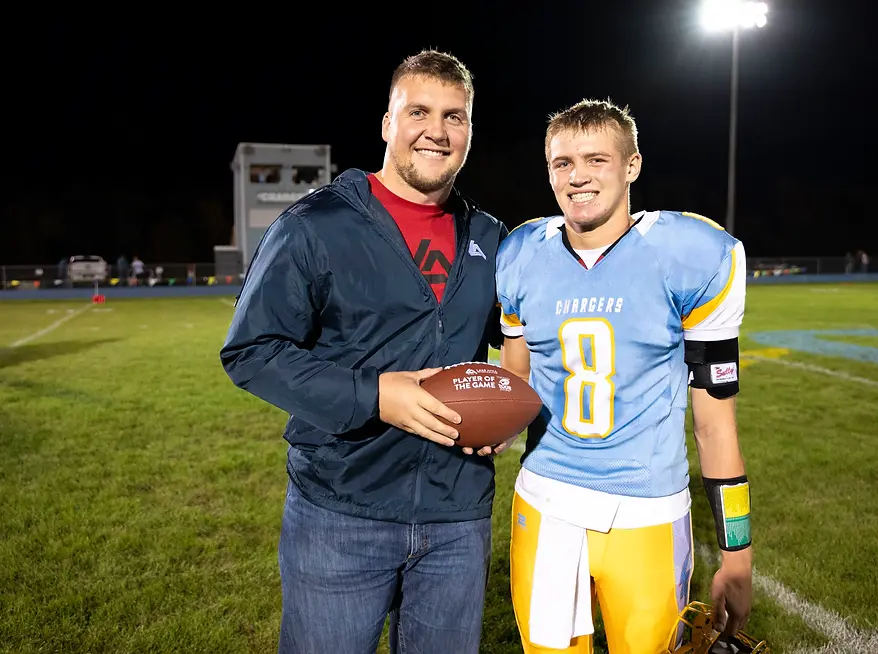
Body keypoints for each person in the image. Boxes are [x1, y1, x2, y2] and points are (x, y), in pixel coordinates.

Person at [220, 50, 508, 654]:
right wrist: (374, 394)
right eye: (420, 111)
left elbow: (515, 345)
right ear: (387, 123)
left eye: (455, 117)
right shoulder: (315, 224)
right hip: (341, 510)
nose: (437, 130)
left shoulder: (489, 236)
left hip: (458, 514)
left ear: (470, 130)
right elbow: (251, 349)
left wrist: (506, 411)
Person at [491, 99, 754, 653]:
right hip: (545, 500)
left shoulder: (689, 253)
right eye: (561, 163)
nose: (577, 176)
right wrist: (486, 426)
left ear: (632, 165)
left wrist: (738, 553)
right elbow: (514, 384)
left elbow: (714, 427)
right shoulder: (520, 253)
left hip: (646, 510)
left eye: (595, 159)